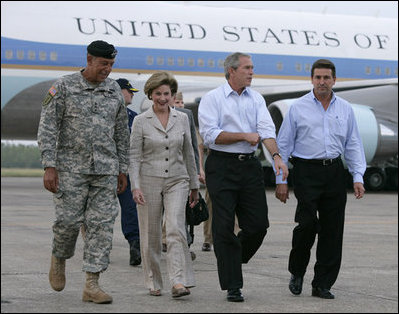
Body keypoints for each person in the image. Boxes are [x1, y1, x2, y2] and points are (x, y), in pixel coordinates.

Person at [37, 40, 129, 304]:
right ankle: (59, 257)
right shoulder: (63, 87)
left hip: (106, 170)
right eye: (103, 64)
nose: (107, 70)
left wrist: (122, 169)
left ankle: (92, 284)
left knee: (101, 227)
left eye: (111, 65)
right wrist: (49, 165)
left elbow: (121, 133)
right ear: (89, 59)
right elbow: (48, 128)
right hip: (70, 170)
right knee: (67, 223)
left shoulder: (113, 90)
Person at [198, 52, 288, 302]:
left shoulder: (256, 99)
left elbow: (267, 131)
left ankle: (232, 260)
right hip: (221, 166)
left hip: (249, 167)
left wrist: (277, 157)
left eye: (252, 68)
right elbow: (209, 135)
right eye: (247, 68)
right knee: (224, 226)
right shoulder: (212, 99)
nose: (251, 72)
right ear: (232, 71)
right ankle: (233, 285)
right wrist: (243, 136)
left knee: (258, 226)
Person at [275, 59, 366, 299]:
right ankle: (297, 271)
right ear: (312, 79)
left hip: (334, 172)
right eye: (318, 78)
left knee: (332, 231)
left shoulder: (345, 108)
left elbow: (353, 144)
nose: (322, 82)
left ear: (334, 80)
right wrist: (281, 180)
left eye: (326, 78)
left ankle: (322, 284)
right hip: (306, 171)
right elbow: (283, 145)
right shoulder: (298, 107)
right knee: (306, 225)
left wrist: (358, 176)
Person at [129, 71, 199, 298]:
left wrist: (194, 184)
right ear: (150, 94)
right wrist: (135, 186)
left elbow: (189, 152)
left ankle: (178, 282)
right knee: (150, 234)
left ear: (172, 95)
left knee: (176, 229)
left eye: (166, 94)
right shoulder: (140, 121)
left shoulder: (183, 118)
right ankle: (153, 281)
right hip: (149, 179)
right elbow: (134, 157)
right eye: (158, 93)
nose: (162, 98)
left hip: (177, 180)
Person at [161, 90, 200, 261]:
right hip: (155, 175)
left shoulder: (186, 115)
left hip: (179, 175)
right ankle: (161, 244)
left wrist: (196, 174)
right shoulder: (147, 117)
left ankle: (183, 247)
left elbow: (192, 148)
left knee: (179, 214)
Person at [115, 78, 141, 266]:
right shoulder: (103, 114)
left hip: (127, 172)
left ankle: (135, 245)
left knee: (131, 209)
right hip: (105, 171)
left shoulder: (134, 117)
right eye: (129, 91)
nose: (132, 94)